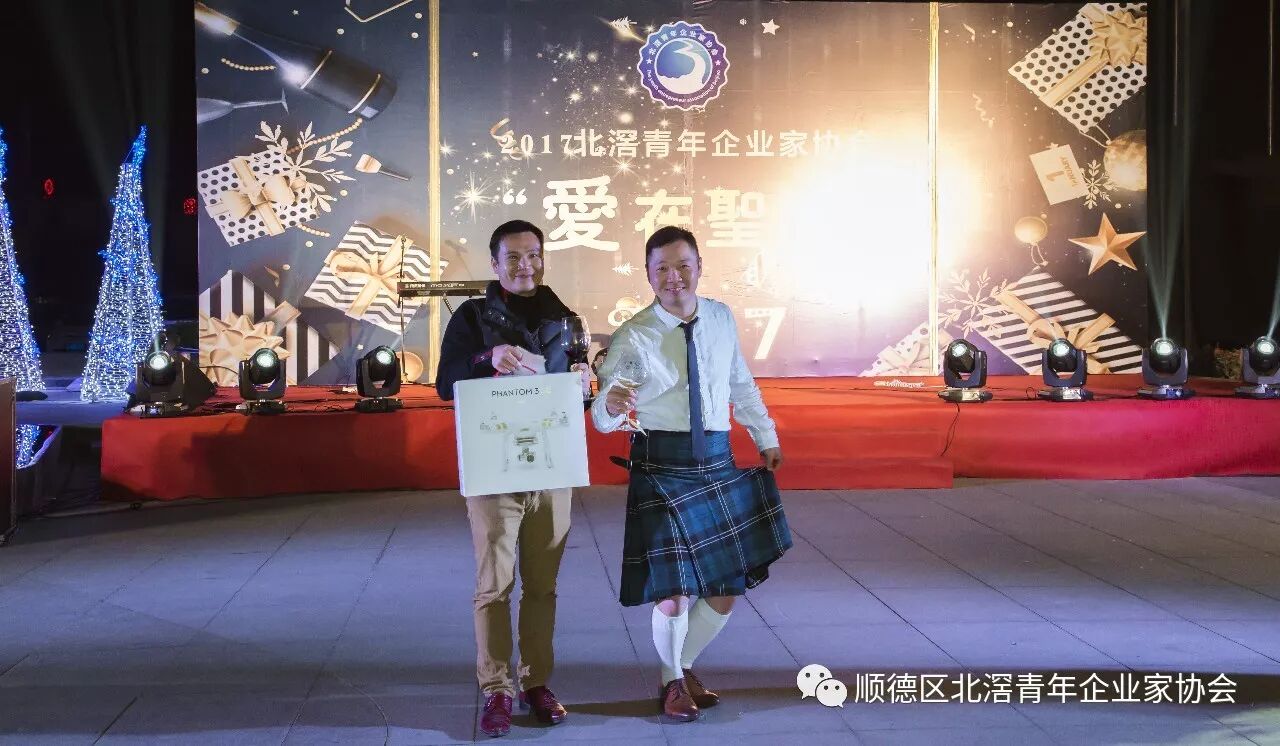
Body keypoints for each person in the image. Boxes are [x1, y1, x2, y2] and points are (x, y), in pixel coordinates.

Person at [590, 226, 792, 722]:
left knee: (725, 590)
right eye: (661, 268)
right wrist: (611, 406)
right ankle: (673, 683)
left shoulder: (721, 317)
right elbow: (603, 413)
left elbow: (739, 382)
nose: (673, 277)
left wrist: (764, 435)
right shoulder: (634, 334)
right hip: (662, 465)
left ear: (700, 266)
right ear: (648, 274)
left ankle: (680, 667)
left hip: (717, 460)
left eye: (683, 265)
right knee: (675, 594)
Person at [436, 219, 589, 738]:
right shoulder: (472, 317)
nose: (526, 265)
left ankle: (535, 681)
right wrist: (487, 357)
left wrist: (586, 383)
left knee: (543, 586)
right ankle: (497, 687)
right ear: (495, 263)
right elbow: (444, 384)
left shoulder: (565, 319)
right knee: (494, 586)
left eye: (534, 255)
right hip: (494, 469)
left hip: (551, 467)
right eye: (514, 257)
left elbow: (576, 396)